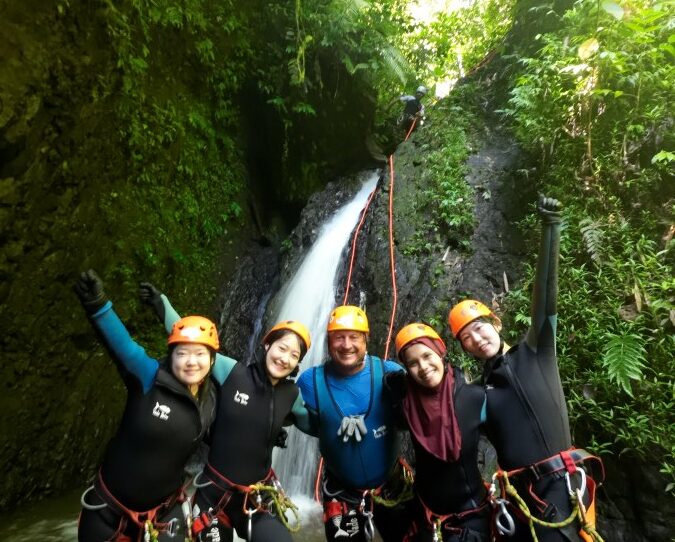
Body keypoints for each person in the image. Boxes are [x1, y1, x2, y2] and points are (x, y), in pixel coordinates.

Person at [448, 197, 604, 542]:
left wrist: (552, 228)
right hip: (520, 501)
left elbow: (545, 297)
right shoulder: (476, 395)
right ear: (464, 349)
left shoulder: (537, 351)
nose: (476, 337)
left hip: (562, 490)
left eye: (479, 326)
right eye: (466, 336)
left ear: (496, 323)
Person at [139, 283, 312, 542]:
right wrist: (161, 303)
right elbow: (194, 340)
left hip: (259, 498)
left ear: (298, 363)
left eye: (294, 355)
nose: (284, 358)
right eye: (281, 348)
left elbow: (314, 425)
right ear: (267, 346)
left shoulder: (292, 395)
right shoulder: (233, 372)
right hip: (214, 496)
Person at [74, 270, 218, 542]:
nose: (191, 361)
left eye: (200, 354)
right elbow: (126, 348)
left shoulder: (210, 402)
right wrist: (99, 305)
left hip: (164, 515)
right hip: (109, 513)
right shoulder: (150, 377)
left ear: (211, 361)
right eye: (182, 353)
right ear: (170, 355)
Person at [296, 305, 411, 542]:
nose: (346, 345)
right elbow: (300, 418)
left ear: (366, 339)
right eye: (339, 338)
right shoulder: (310, 383)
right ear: (328, 342)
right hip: (341, 493)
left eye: (354, 337)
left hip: (391, 485)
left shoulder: (390, 374)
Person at [385, 323, 491, 542]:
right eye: (412, 363)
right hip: (423, 513)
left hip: (470, 516)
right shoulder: (405, 405)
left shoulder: (473, 397)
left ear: (440, 352)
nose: (423, 367)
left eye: (427, 355)